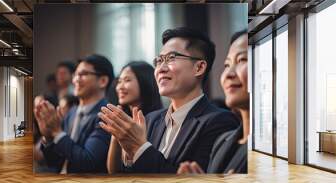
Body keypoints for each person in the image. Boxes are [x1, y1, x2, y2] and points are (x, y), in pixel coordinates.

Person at [99, 27, 239, 173]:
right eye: (159, 61)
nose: (161, 69)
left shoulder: (220, 122)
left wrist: (139, 147)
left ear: (199, 67)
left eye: (171, 58)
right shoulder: (151, 120)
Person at [177, 30, 248, 174]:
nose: (228, 74)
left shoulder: (277, 148)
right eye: (227, 65)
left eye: (242, 60)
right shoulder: (222, 142)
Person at [34, 54, 114, 173]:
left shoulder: (107, 115)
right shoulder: (72, 112)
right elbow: (55, 162)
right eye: (75, 74)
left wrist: (57, 132)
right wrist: (48, 137)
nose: (75, 79)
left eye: (83, 74)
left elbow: (88, 162)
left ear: (102, 81)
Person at [106, 61, 163, 174]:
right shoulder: (124, 118)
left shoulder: (158, 121)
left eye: (127, 80)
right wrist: (115, 136)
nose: (120, 87)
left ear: (145, 82)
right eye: (119, 81)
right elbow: (113, 172)